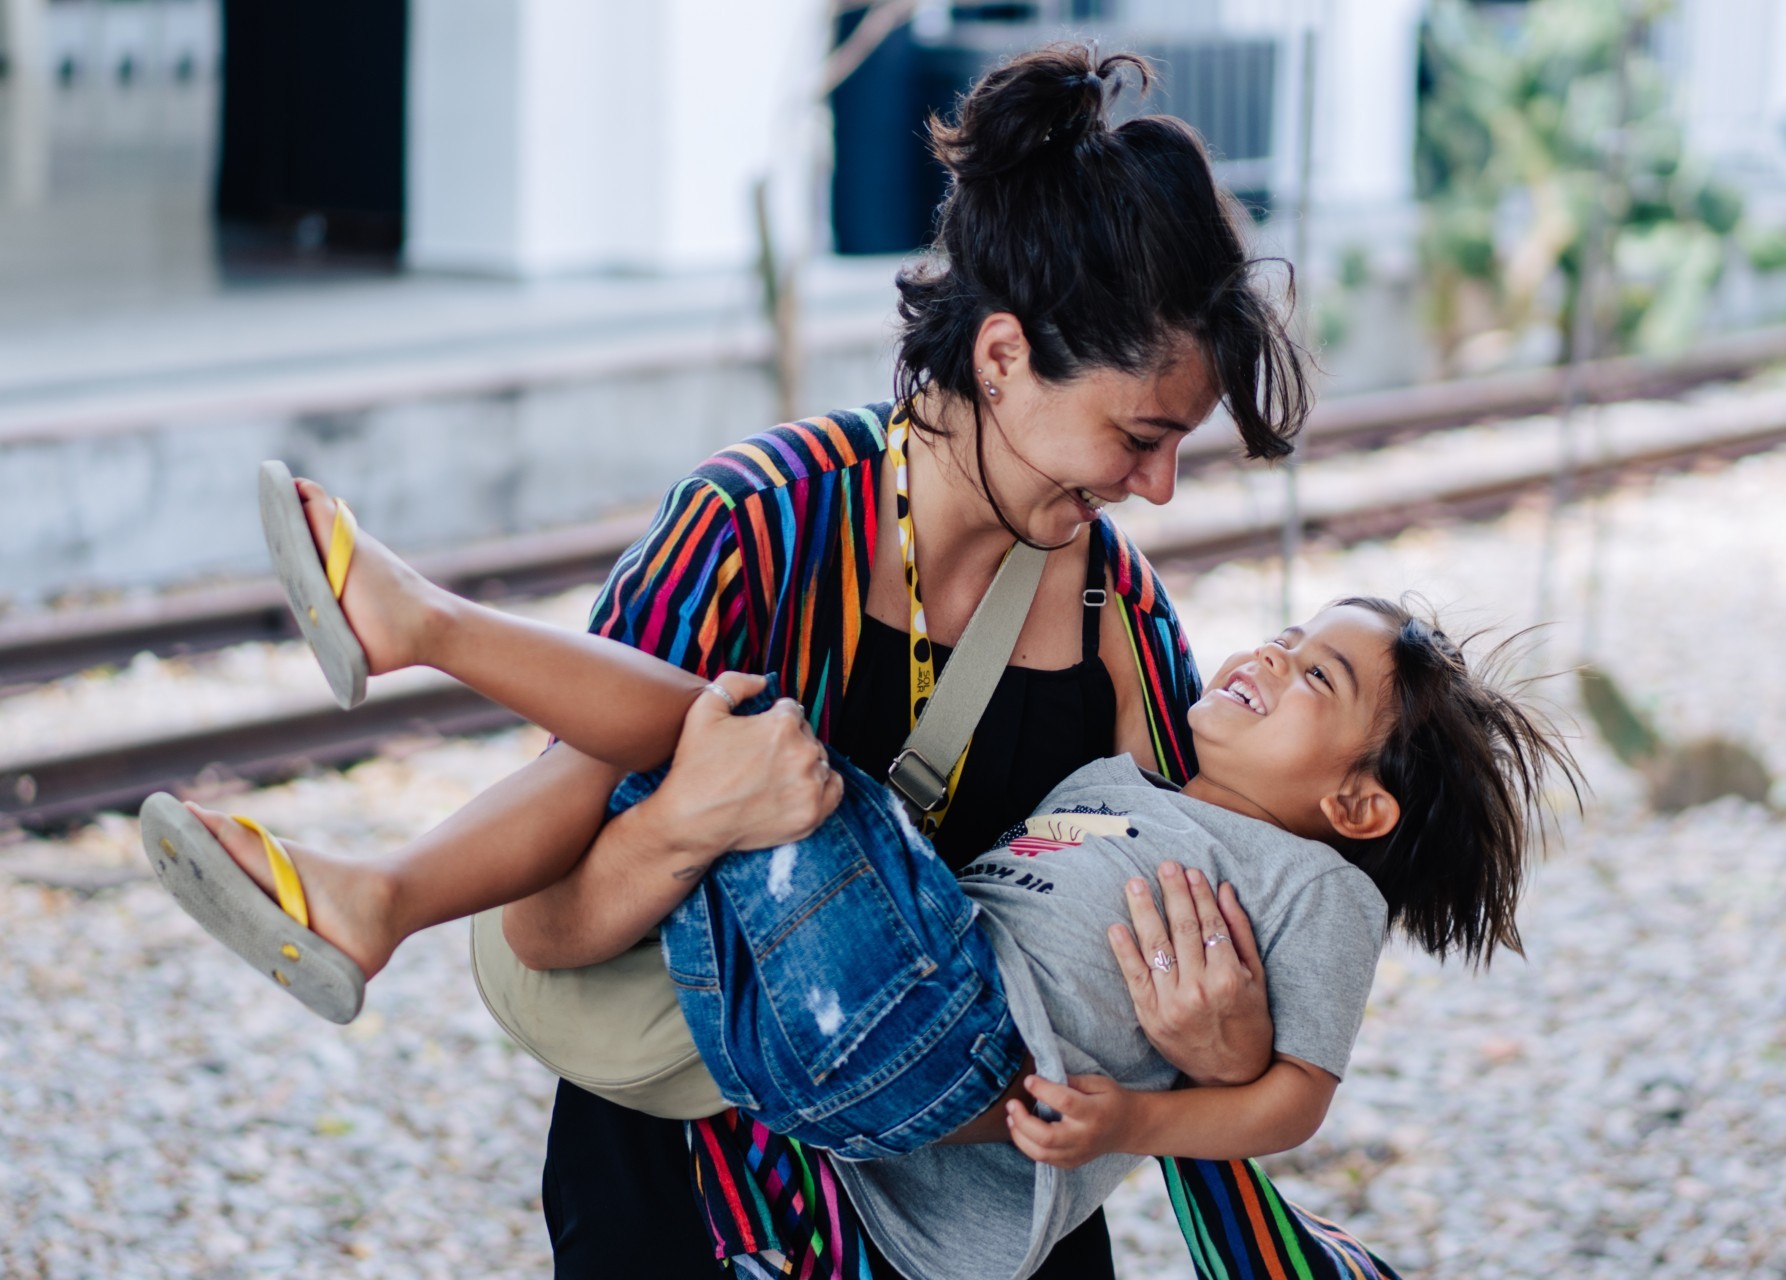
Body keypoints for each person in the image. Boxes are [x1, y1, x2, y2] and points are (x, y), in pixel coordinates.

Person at [191, 41, 1327, 1279]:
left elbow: (1210, 939)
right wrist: (685, 823)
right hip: (702, 1211)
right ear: (1002, 355)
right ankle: (400, 773)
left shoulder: (1122, 614)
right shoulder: (759, 524)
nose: (1155, 487)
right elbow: (545, 930)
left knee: (742, 739)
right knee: (727, 742)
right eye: (1140, 435)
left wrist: (1227, 1041)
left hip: (971, 1224)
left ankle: (416, 663)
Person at [147, 478, 1575, 1278]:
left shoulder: (1316, 890)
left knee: (754, 737)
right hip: (830, 1053)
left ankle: (420, 643)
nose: (1260, 657)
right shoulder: (1142, 766)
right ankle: (375, 890)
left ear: (1357, 800)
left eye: (1313, 674)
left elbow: (1295, 1102)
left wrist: (1142, 1109)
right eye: (1281, 633)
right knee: (683, 757)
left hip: (943, 1049)